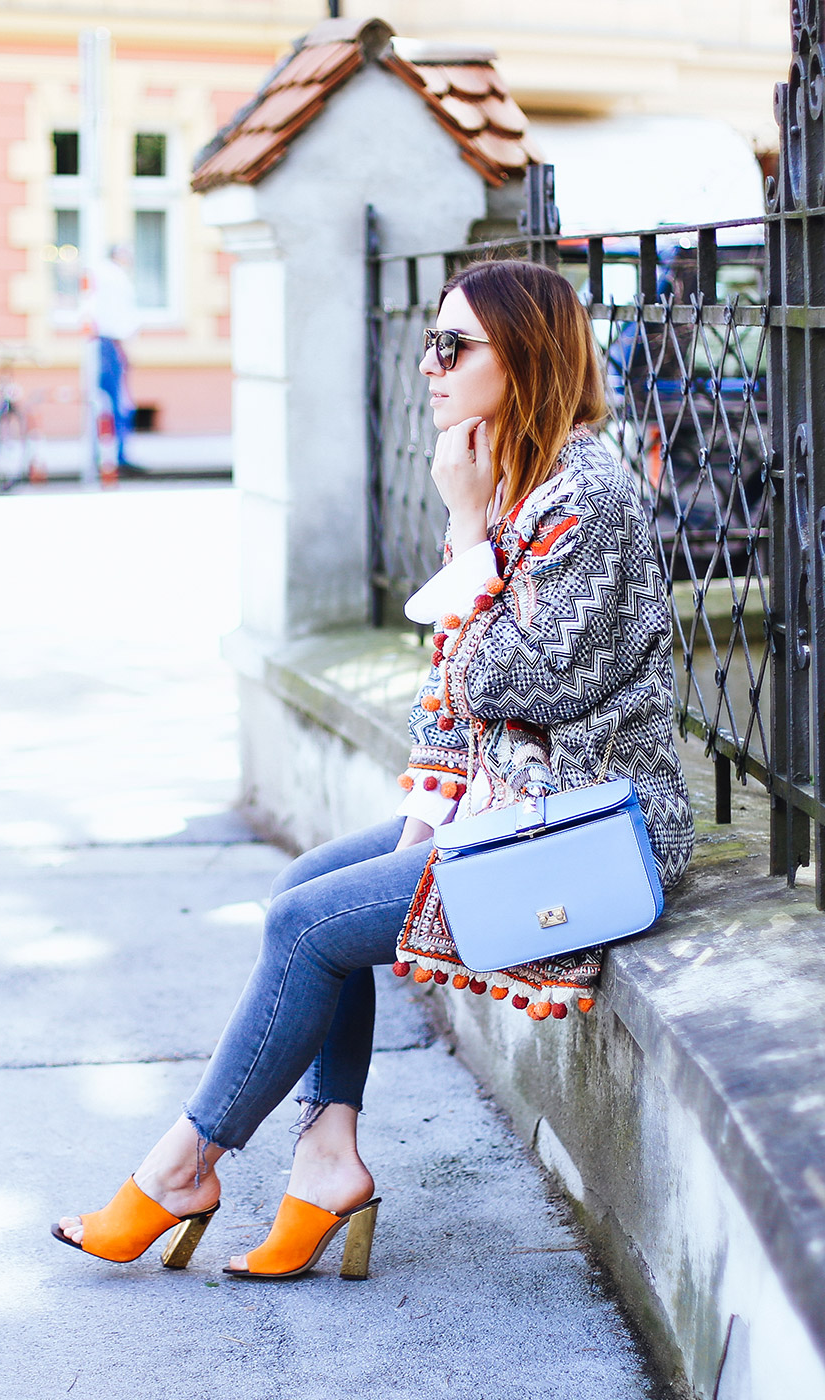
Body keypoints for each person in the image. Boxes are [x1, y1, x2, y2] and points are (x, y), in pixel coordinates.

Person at [52, 259, 693, 1280]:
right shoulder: (521, 484)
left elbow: (506, 682)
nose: (430, 367)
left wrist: (469, 527)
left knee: (306, 928)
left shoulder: (588, 496)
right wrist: (474, 527)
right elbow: (447, 684)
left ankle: (183, 1168)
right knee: (302, 890)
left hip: (585, 835)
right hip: (512, 810)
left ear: (524, 355)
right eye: (427, 344)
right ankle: (326, 1157)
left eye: (453, 347)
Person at [91, 244, 140, 473]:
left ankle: (103, 453)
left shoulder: (105, 276)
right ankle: (117, 454)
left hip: (104, 343)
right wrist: (124, 349)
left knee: (102, 401)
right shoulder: (115, 278)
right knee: (117, 400)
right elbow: (117, 318)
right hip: (111, 344)